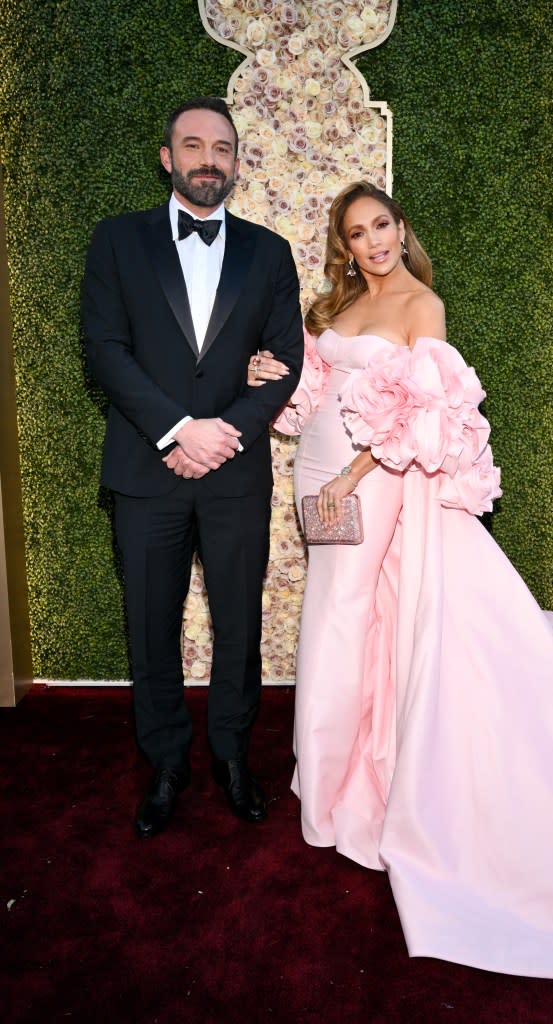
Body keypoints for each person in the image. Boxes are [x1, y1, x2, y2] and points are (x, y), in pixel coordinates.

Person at [249, 180, 553, 980]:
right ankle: (339, 767)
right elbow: (311, 397)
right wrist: (277, 374)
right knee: (342, 614)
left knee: (345, 615)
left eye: (381, 224)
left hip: (366, 480)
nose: (373, 241)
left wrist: (350, 476)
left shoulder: (422, 305)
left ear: (401, 227)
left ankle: (342, 788)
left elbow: (422, 418)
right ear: (344, 246)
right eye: (357, 232)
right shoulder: (333, 308)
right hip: (315, 473)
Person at [82, 96, 304, 838]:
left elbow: (286, 363)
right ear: (167, 157)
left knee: (239, 627)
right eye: (194, 144)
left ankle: (233, 759)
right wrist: (178, 431)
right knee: (151, 626)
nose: (210, 158)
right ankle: (166, 765)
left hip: (236, 474)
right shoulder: (116, 241)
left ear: (236, 162)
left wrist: (221, 435)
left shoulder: (269, 252)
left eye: (223, 148)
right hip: (146, 472)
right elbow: (106, 351)